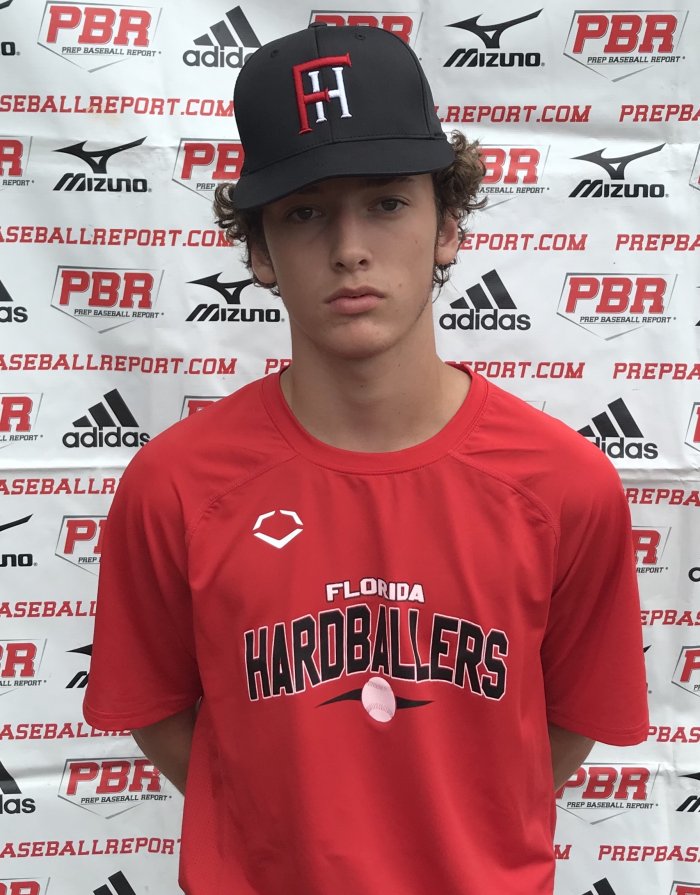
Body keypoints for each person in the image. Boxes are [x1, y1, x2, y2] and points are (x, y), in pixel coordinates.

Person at [84, 23, 648, 895]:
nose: (349, 247)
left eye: (386, 203)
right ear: (260, 251)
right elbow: (156, 711)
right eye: (305, 212)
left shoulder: (564, 484)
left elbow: (569, 722)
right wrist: (280, 834)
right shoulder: (176, 485)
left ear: (448, 224)